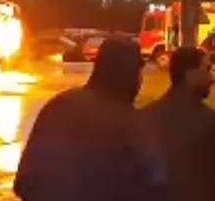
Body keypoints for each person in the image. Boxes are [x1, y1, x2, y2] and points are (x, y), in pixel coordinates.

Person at [14, 36, 166, 201]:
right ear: (132, 74)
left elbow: (24, 182)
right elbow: (157, 184)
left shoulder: (58, 107)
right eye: (139, 73)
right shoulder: (132, 124)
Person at [139, 47, 215, 201]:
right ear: (189, 74)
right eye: (207, 70)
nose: (212, 78)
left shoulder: (146, 116)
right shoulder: (209, 123)